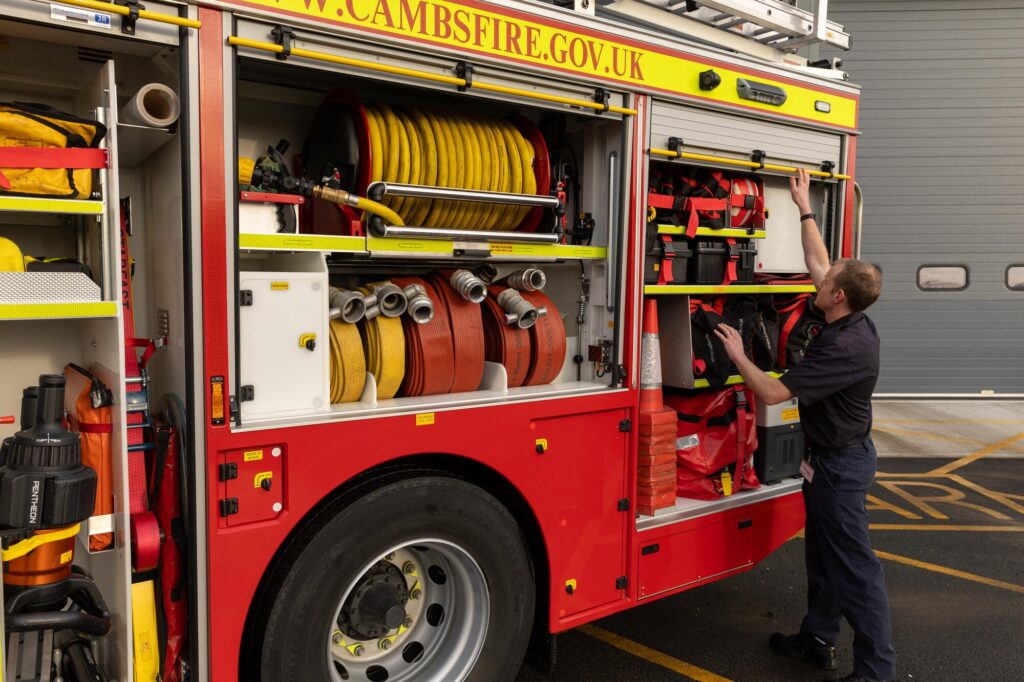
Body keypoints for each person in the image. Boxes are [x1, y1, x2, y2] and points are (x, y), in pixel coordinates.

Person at [714, 169, 896, 682]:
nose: (819, 278)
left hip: (841, 468)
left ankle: (876, 672)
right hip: (828, 460)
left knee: (856, 572)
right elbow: (819, 259)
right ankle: (818, 638)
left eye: (827, 281)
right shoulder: (851, 314)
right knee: (825, 560)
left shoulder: (844, 347)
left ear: (837, 296)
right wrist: (804, 206)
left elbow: (772, 393)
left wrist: (736, 355)